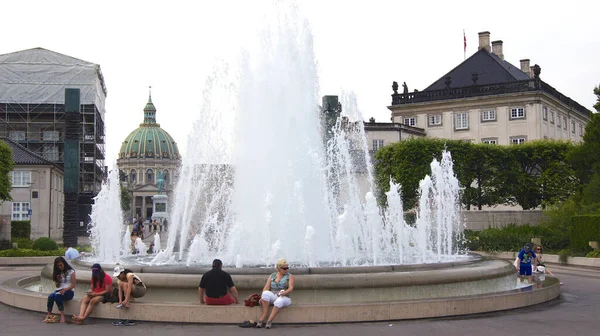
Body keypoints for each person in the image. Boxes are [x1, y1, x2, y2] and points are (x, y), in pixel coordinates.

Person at [257, 258, 295, 329]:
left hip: (285, 297)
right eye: (284, 268)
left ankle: (269, 321)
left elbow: (291, 288)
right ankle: (264, 315)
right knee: (265, 293)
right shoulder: (272, 275)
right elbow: (266, 288)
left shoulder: (290, 276)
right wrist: (262, 298)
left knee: (279, 301)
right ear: (279, 268)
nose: (287, 270)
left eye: (287, 268)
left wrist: (284, 293)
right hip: (274, 295)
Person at [44, 257, 76, 323]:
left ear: (64, 263)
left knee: (57, 296)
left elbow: (73, 284)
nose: (60, 267)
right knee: (51, 296)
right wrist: (58, 281)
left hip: (69, 291)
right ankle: (49, 314)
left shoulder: (71, 272)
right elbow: (57, 286)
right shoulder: (58, 272)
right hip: (59, 290)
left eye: (61, 265)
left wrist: (65, 290)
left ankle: (62, 315)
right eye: (58, 266)